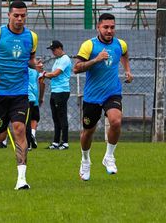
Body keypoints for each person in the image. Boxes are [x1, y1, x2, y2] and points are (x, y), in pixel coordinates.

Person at [0, 0, 38, 190]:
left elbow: (30, 60)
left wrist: (37, 66)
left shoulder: (32, 37)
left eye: (23, 15)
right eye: (16, 15)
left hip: (19, 91)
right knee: (1, 136)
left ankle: (21, 179)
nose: (20, 19)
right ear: (9, 15)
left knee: (19, 129)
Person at [73, 13, 133, 181]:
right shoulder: (89, 46)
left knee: (116, 121)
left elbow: (125, 54)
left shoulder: (120, 44)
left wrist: (127, 70)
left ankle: (109, 156)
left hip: (112, 92)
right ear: (98, 27)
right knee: (88, 131)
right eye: (105, 27)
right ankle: (85, 160)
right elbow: (76, 68)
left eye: (112, 27)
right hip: (92, 96)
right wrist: (96, 60)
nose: (109, 30)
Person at [42, 40, 72, 150]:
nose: (53, 52)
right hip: (55, 91)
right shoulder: (57, 60)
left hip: (62, 91)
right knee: (55, 117)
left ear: (60, 48)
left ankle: (65, 142)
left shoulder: (65, 59)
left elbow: (55, 74)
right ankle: (55, 142)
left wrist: (43, 74)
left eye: (54, 50)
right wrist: (44, 74)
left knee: (62, 116)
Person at [27, 61, 45, 150]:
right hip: (34, 97)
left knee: (25, 120)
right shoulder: (36, 72)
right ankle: (32, 134)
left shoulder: (22, 70)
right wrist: (41, 97)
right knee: (34, 118)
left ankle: (28, 142)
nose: (41, 64)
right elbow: (42, 84)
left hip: (25, 97)